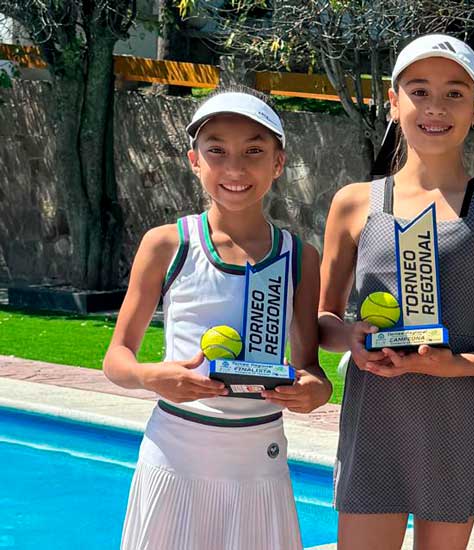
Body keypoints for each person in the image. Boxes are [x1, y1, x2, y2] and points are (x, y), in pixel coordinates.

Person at [318, 34, 474, 550]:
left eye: (455, 93)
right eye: (418, 90)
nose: (435, 107)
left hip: (455, 418)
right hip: (374, 418)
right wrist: (351, 336)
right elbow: (322, 321)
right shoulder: (353, 204)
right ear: (393, 102)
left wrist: (454, 365)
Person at [103, 86, 332, 550]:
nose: (235, 168)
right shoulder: (168, 244)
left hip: (259, 461)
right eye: (217, 151)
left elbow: (310, 368)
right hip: (175, 454)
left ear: (278, 162)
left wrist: (315, 392)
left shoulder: (300, 257)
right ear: (194, 160)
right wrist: (152, 376)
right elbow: (117, 358)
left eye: (254, 151)